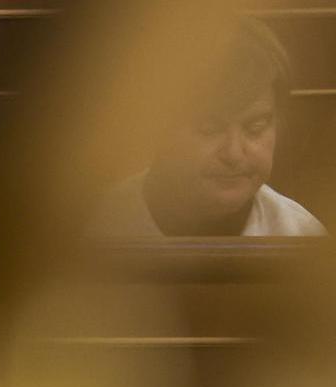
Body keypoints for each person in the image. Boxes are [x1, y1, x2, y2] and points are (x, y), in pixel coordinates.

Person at [93, 17, 325, 237]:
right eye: (209, 129)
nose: (233, 153)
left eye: (255, 128)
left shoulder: (302, 235)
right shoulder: (95, 229)